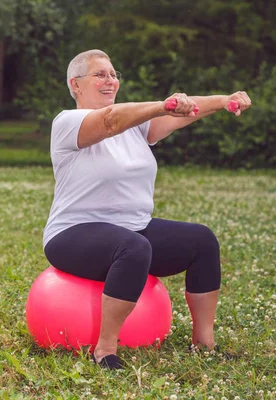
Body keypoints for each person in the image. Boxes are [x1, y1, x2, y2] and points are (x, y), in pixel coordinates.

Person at [42, 49, 251, 370]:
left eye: (113, 74)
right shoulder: (68, 123)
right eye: (100, 74)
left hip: (131, 227)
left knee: (202, 240)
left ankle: (204, 344)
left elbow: (184, 112)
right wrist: (161, 104)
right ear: (75, 84)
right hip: (72, 235)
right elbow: (111, 121)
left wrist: (223, 101)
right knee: (133, 247)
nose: (110, 80)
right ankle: (105, 350)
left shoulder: (137, 127)